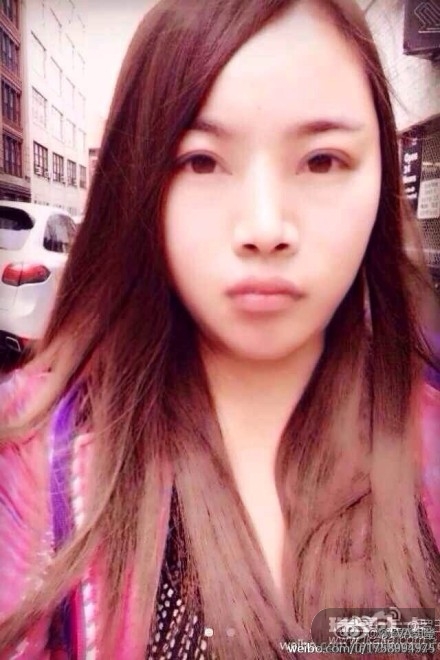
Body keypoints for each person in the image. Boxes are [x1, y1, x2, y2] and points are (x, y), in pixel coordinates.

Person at [1, 0, 440, 658]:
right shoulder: (27, 456)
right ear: (138, 185)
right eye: (201, 162)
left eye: (322, 161)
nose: (264, 228)